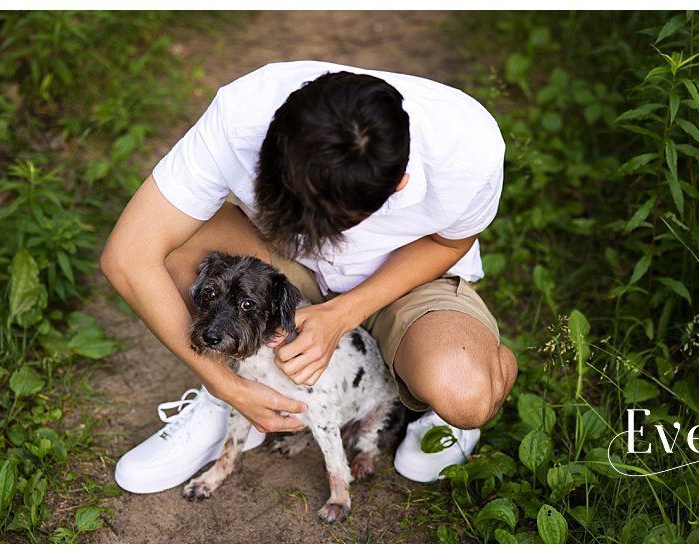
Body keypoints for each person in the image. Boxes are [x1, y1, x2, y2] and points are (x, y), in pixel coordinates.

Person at [102, 61, 517, 494]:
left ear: (398, 186)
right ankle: (235, 387)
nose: (308, 231)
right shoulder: (244, 112)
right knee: (176, 249)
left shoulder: (469, 149)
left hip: (406, 281)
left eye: (319, 223)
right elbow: (128, 257)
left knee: (465, 394)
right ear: (275, 141)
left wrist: (342, 313)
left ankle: (441, 401)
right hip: (277, 266)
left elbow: (451, 243)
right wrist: (225, 385)